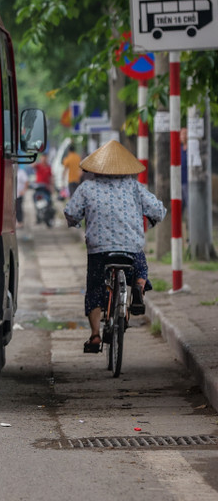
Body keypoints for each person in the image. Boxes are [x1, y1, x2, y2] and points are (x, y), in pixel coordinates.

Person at [63, 140, 166, 354]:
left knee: (94, 288)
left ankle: (94, 336)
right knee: (140, 268)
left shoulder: (87, 188)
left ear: (96, 169)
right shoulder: (135, 187)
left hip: (99, 250)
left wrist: (74, 221)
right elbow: (158, 210)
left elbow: (71, 212)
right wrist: (153, 217)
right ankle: (137, 287)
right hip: (130, 248)